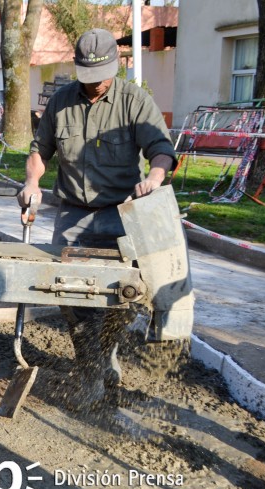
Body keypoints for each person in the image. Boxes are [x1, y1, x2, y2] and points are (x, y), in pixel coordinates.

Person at [18, 28, 177, 409]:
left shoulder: (134, 101)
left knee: (120, 298)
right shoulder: (60, 102)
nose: (94, 85)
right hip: (73, 214)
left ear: (116, 65)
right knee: (71, 299)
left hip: (122, 215)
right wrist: (31, 182)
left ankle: (101, 362)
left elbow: (160, 149)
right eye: (87, 77)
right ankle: (92, 367)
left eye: (101, 76)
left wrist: (154, 177)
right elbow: (41, 150)